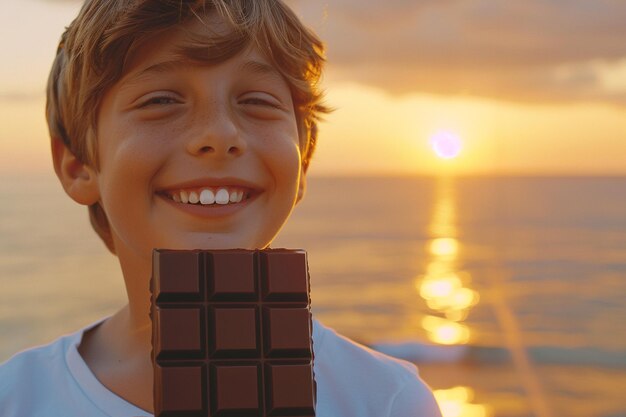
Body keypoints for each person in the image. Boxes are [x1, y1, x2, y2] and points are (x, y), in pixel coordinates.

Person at [0, 1, 442, 416]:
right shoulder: (18, 397)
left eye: (256, 101)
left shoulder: (384, 401)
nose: (220, 134)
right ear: (78, 165)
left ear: (302, 160)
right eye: (161, 100)